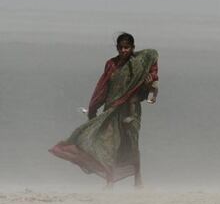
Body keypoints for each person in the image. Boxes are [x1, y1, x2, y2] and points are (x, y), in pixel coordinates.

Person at [49, 33, 159, 188]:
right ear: (117, 48)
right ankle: (110, 181)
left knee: (132, 144)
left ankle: (138, 180)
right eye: (120, 48)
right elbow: (103, 88)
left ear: (133, 48)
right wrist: (93, 109)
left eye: (127, 47)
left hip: (131, 110)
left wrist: (150, 87)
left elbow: (151, 82)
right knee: (108, 145)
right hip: (112, 111)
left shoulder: (140, 63)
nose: (123, 50)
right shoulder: (111, 65)